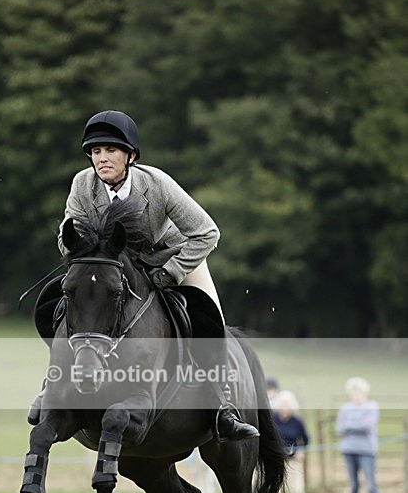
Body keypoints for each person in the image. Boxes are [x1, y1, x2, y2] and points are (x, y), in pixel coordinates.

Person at [28, 109, 258, 442]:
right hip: (115, 269)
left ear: (131, 156)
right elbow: (69, 236)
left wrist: (172, 271)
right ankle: (51, 386)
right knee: (61, 305)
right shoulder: (82, 184)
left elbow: (207, 233)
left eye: (111, 150)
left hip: (173, 260)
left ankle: (222, 406)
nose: (102, 159)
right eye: (96, 152)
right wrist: (82, 252)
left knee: (211, 320)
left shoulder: (157, 185)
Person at [335, 377, 379, 493]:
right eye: (353, 392)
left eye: (358, 391)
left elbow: (367, 426)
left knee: (370, 485)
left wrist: (349, 425)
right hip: (348, 450)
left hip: (367, 451)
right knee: (353, 486)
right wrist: (358, 423)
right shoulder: (345, 408)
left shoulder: (372, 406)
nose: (356, 395)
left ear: (364, 392)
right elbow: (339, 428)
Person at [272, 390, 310, 493]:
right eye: (282, 404)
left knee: (296, 490)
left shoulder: (297, 422)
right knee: (277, 492)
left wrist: (301, 450)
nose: (285, 407)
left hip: (294, 462)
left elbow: (305, 439)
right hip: (277, 461)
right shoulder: (272, 420)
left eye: (287, 404)